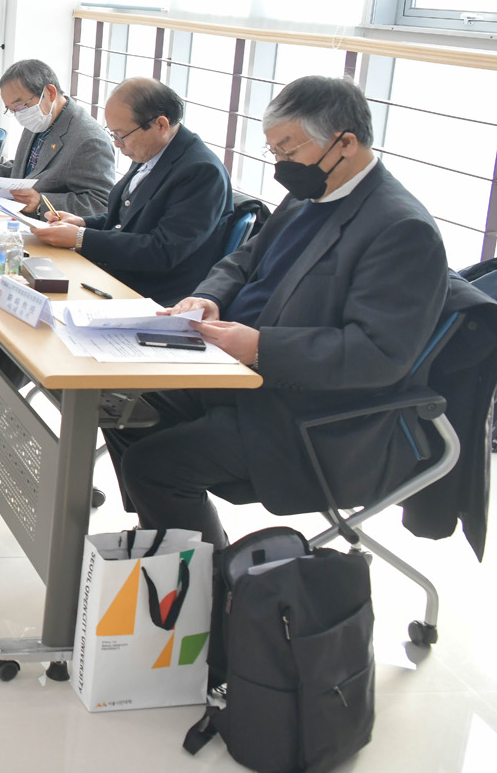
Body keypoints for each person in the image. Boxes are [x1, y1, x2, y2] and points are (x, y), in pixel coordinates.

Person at [106, 75, 450, 549]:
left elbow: (378, 354)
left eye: (288, 150)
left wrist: (260, 347)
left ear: (345, 143)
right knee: (119, 404)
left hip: (306, 410)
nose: (280, 165)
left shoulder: (400, 229)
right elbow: (244, 260)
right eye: (274, 151)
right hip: (237, 375)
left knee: (153, 465)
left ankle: (204, 582)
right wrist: (209, 297)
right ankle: (168, 540)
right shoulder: (312, 192)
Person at [27, 77, 232, 305]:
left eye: (121, 135)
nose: (116, 143)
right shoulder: (152, 149)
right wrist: (83, 223)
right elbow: (132, 217)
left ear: (161, 125)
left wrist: (81, 238)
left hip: (152, 292)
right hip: (119, 272)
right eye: (113, 134)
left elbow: (162, 251)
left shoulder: (201, 171)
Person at [0, 59, 116, 218]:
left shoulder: (89, 140)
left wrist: (41, 204)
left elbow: (101, 203)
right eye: (12, 110)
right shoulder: (40, 119)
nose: (19, 115)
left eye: (21, 106)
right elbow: (26, 169)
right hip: (15, 218)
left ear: (50, 93)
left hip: (50, 228)